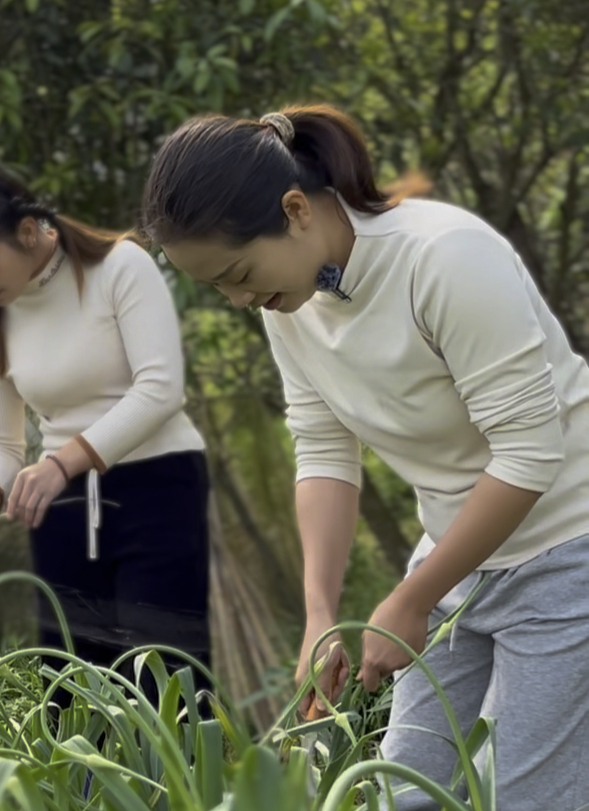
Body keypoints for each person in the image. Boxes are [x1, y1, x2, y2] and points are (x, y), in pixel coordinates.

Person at [139, 104, 589, 809]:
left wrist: (408, 600)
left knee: (533, 799)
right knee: (406, 788)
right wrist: (321, 613)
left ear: (294, 210)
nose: (237, 299)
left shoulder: (443, 257)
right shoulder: (292, 301)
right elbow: (323, 449)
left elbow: (531, 452)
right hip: (457, 550)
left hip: (568, 548)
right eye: (217, 287)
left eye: (237, 272)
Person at [0, 159, 212, 709]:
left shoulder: (121, 267)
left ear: (28, 232)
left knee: (167, 678)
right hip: (59, 506)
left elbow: (160, 390)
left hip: (158, 486)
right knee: (71, 690)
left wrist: (63, 461)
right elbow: (1, 442)